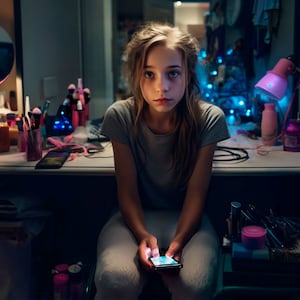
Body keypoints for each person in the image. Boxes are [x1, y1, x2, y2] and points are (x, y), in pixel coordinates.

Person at [94, 22, 230, 300]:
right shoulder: (120, 116)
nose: (162, 87)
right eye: (149, 74)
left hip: (189, 219)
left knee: (195, 284)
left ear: (189, 74)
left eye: (173, 74)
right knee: (115, 279)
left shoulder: (209, 118)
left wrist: (179, 241)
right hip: (131, 218)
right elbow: (127, 191)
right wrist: (143, 234)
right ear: (136, 75)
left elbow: (197, 192)